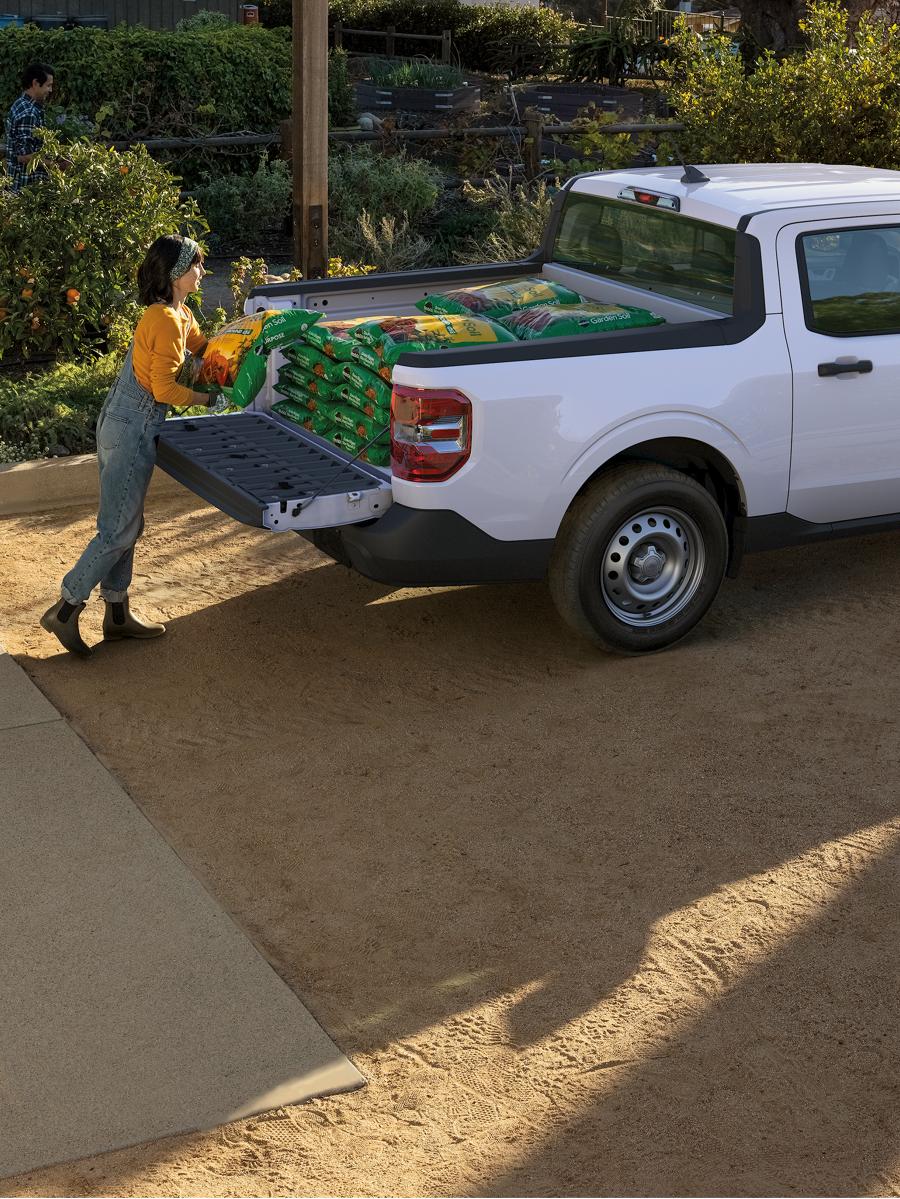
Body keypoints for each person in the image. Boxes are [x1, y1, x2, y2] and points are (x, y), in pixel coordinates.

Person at [41, 235, 210, 656]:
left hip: (121, 419)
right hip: (133, 426)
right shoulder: (165, 321)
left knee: (125, 523)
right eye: (196, 265)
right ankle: (65, 608)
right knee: (118, 528)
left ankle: (117, 616)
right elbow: (165, 388)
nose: (202, 272)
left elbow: (204, 347)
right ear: (175, 273)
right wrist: (212, 399)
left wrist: (242, 343)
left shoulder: (179, 314)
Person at [5, 63, 54, 192]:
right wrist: (56, 166)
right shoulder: (28, 112)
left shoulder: (22, 104)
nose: (51, 90)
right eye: (48, 85)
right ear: (35, 83)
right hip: (26, 189)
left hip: (22, 187)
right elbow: (24, 156)